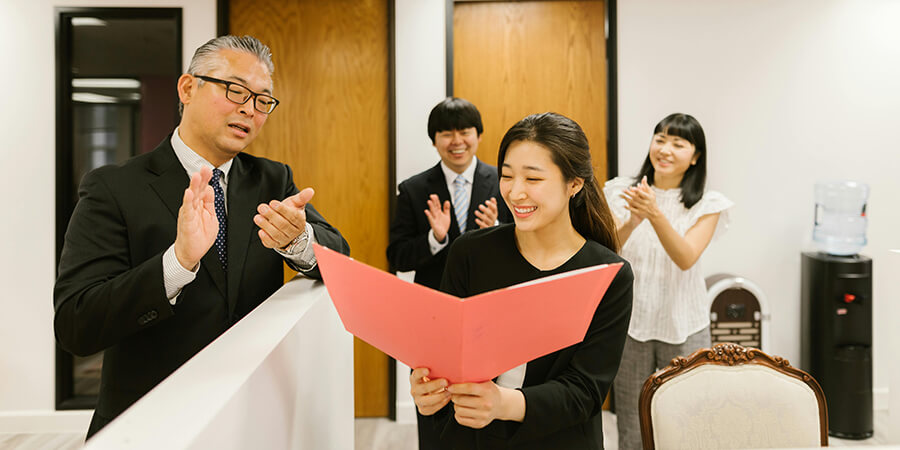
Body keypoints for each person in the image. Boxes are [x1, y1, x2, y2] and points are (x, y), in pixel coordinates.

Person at [53, 35, 350, 438]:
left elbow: (341, 259)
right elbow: (77, 324)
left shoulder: (272, 179)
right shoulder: (113, 187)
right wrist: (177, 263)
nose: (250, 109)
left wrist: (297, 241)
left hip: (249, 417)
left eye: (263, 100)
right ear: (187, 88)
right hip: (150, 421)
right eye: (234, 90)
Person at [410, 112, 634, 449]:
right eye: (507, 176)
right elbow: (445, 351)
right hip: (469, 438)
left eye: (533, 179)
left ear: (574, 184)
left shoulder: (608, 274)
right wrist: (425, 386)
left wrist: (502, 403)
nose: (515, 193)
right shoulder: (470, 252)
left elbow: (585, 391)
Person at [603, 113, 733, 450]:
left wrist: (655, 215)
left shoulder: (708, 204)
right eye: (660, 139)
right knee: (632, 423)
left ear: (695, 156)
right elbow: (605, 253)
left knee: (687, 420)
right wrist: (632, 221)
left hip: (684, 326)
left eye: (678, 143)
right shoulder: (620, 191)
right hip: (631, 324)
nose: (665, 149)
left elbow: (686, 257)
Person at [387, 97, 511, 291]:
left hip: (490, 295)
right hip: (436, 302)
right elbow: (397, 257)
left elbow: (527, 242)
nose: (456, 141)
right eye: (447, 134)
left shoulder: (505, 181)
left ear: (479, 136)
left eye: (464, 132)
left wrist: (495, 228)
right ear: (433, 141)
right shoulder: (412, 190)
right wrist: (434, 239)